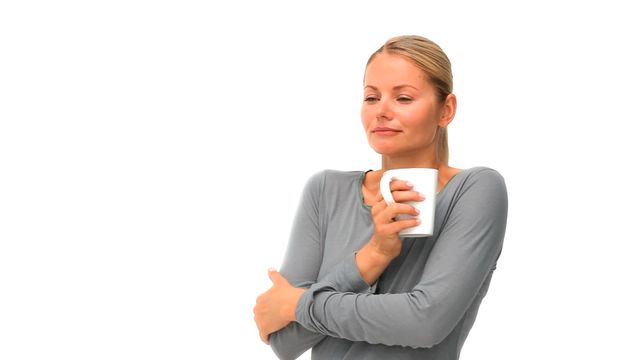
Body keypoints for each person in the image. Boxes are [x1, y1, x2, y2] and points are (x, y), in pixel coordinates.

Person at [253, 35, 508, 360]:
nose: (382, 111)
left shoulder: (475, 189)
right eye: (371, 98)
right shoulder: (325, 191)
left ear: (446, 110)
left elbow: (423, 322)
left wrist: (298, 304)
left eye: (403, 98)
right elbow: (286, 342)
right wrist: (372, 256)